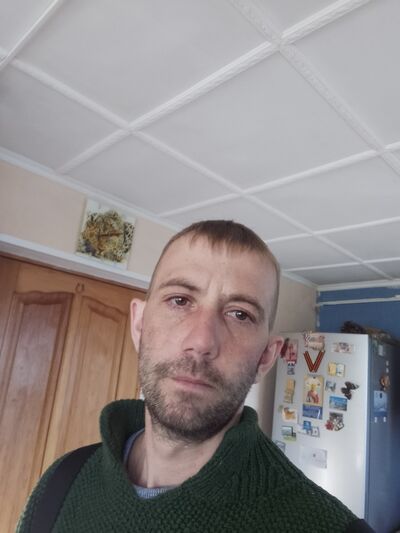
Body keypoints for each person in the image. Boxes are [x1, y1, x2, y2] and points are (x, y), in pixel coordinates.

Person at [17, 220, 374, 532]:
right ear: (139, 324)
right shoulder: (62, 482)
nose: (201, 342)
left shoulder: (327, 527)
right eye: (180, 301)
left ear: (266, 356)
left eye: (239, 314)